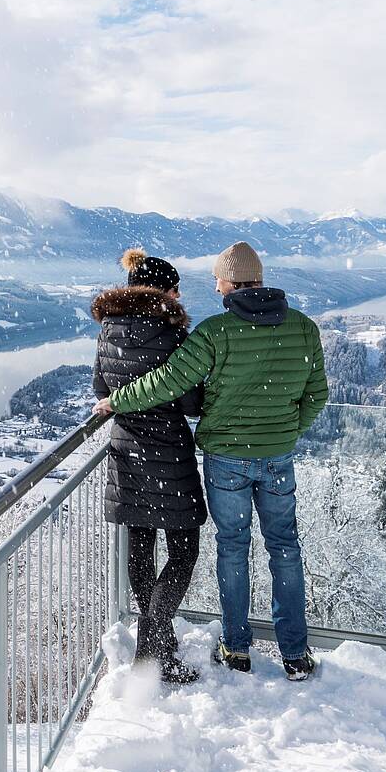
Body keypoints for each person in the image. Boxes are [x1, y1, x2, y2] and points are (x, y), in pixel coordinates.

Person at [92, 240, 329, 682]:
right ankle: (295, 654)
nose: (213, 286)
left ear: (231, 281)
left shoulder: (215, 332)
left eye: (217, 278)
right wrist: (286, 430)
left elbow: (169, 383)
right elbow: (317, 395)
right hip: (271, 457)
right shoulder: (303, 328)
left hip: (215, 458)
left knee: (232, 548)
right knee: (285, 548)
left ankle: (235, 648)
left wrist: (117, 400)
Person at [91, 249, 207, 685]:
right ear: (162, 290)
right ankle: (151, 652)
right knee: (183, 552)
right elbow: (192, 401)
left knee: (140, 551)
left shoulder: (108, 329)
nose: (180, 297)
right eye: (175, 288)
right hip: (169, 454)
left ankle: (156, 643)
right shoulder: (174, 335)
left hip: (126, 452)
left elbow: (101, 386)